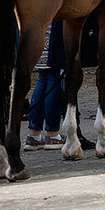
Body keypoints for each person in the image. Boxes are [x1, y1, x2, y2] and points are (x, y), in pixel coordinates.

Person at [24, 22, 65, 151]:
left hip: (40, 38)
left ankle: (33, 134)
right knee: (53, 81)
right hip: (53, 38)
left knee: (42, 80)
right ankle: (53, 134)